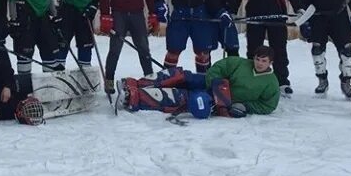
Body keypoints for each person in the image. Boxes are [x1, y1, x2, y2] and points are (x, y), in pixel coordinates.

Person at [119, 45, 279, 117]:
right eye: (257, 59)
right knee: (182, 76)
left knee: (181, 97)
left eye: (263, 61)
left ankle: (134, 97)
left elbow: (268, 105)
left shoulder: (271, 83)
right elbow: (220, 67)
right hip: (213, 85)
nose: (259, 63)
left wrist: (246, 106)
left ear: (270, 63)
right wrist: (215, 81)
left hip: (222, 102)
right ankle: (137, 83)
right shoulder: (240, 63)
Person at [236, 0, 304, 95]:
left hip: (277, 14)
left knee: (279, 49)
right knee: (253, 50)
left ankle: (282, 81)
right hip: (255, 15)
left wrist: (298, 6)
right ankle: (251, 79)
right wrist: (232, 9)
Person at [99, 0, 157, 94]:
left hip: (137, 14)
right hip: (119, 15)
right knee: (115, 49)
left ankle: (149, 78)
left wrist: (153, 13)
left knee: (143, 48)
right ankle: (109, 80)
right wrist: (105, 15)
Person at [8, 0, 63, 94]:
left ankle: (51, 89)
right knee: (25, 54)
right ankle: (24, 91)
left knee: (49, 51)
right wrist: (13, 20)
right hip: (25, 18)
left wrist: (55, 15)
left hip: (44, 18)